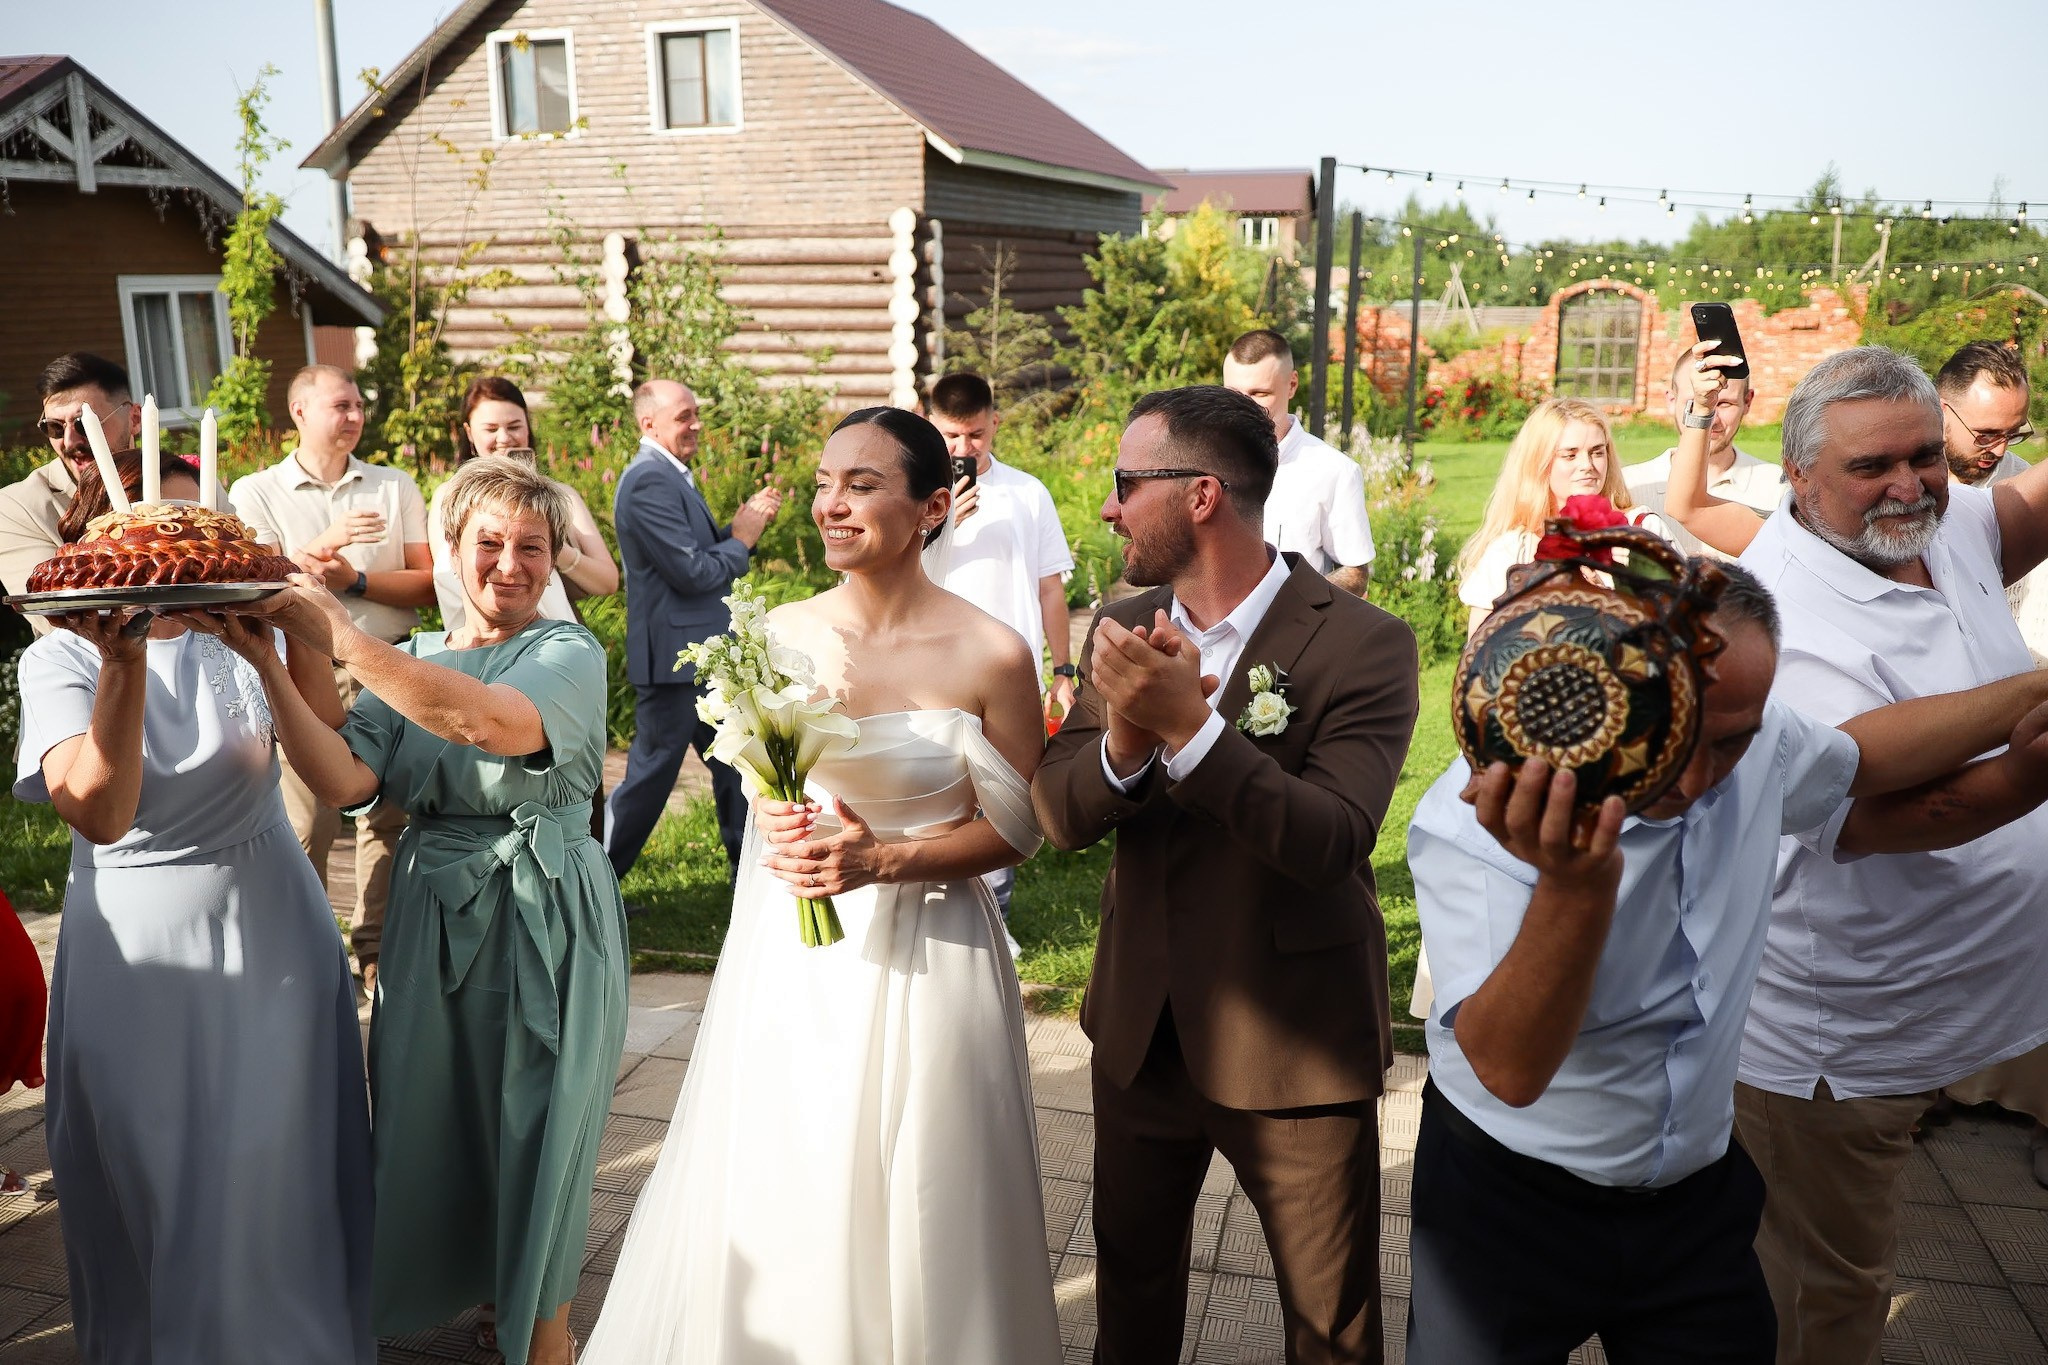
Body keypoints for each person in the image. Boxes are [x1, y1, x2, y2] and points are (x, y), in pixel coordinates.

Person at [1406, 564, 2048, 1365]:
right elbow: (1508, 1069)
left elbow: (1859, 763)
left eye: (1732, 740)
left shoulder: (1754, 735)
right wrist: (1577, 889)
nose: (1699, 777)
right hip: (1508, 1201)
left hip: (1695, 1195)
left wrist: (2028, 724)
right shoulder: (1476, 826)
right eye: (1673, 734)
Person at [581, 408, 1059, 1363]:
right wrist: (776, 809)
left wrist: (881, 860)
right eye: (824, 484)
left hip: (934, 952)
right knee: (788, 1168)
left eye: (862, 485)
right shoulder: (777, 633)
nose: (831, 505)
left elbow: (1020, 828)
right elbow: (765, 771)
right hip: (794, 955)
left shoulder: (994, 652)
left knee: (935, 1183)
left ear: (932, 508)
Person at [206, 455, 626, 1365]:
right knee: (433, 1112)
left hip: (544, 899)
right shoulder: (420, 657)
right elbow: (345, 778)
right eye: (489, 542)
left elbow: (489, 724)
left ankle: (545, 1336)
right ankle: (484, 1284)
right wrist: (272, 656)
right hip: (432, 909)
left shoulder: (568, 651)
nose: (509, 564)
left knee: (541, 1115)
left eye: (532, 546)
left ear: (554, 559)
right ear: (452, 545)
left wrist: (345, 637)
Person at [1034, 386, 1421, 1365]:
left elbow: (1333, 837)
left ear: (1200, 494)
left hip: (1292, 1036)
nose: (1110, 506)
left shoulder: (1364, 641)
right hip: (1141, 1028)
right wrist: (1124, 744)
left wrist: (1191, 729)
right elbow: (1059, 813)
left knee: (1329, 1328)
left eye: (1126, 483)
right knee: (1130, 1301)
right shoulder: (1121, 623)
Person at [15, 448, 373, 1363]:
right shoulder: (58, 656)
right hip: (138, 940)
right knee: (157, 1163)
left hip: (271, 920)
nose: (186, 559)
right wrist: (123, 660)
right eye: (164, 532)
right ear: (105, 540)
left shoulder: (247, 621)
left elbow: (334, 765)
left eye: (201, 526)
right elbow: (101, 812)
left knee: (277, 1161)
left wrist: (276, 640)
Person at [1736, 345, 2048, 1365]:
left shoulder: (1943, 522)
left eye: (1924, 455)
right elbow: (1881, 813)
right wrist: (2031, 724)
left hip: (1987, 984)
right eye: (1870, 466)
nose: (1908, 485)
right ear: (1798, 475)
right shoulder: (1769, 616)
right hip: (1852, 1029)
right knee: (1820, 1293)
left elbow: (2017, 513)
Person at [230, 363, 433, 1004]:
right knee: (306, 822)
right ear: (299, 412)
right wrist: (322, 547)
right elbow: (257, 579)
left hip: (388, 664)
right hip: (302, 668)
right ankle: (309, 957)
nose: (354, 416)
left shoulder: (394, 484)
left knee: (388, 821)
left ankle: (375, 953)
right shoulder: (256, 490)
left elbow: (429, 583)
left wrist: (357, 581)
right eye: (340, 405)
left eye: (358, 406)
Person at [606, 378, 782, 887]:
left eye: (695, 413)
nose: (696, 424)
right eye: (683, 416)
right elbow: (692, 573)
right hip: (675, 662)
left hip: (698, 657)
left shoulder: (666, 474)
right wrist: (741, 540)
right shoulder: (649, 479)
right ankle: (591, 883)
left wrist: (740, 530)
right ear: (648, 424)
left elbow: (696, 557)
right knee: (649, 780)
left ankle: (751, 877)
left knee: (739, 765)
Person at [925, 370, 1076, 937]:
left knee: (1005, 796)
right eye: (951, 436)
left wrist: (1063, 669)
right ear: (930, 425)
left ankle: (995, 924)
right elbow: (894, 578)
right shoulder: (918, 499)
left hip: (1011, 671)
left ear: (994, 424)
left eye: (976, 434)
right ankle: (939, 915)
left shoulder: (1027, 493)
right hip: (936, 668)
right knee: (940, 792)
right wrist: (940, 527)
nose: (963, 448)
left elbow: (1049, 588)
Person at [427, 376, 618, 634]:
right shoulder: (450, 497)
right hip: (482, 640)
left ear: (528, 426)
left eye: (514, 426)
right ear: (469, 433)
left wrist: (550, 549)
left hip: (555, 635)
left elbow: (608, 581)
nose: (504, 438)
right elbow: (450, 577)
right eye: (491, 429)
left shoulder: (561, 496)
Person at [1456, 397, 1660, 634]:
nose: (1587, 465)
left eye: (1597, 452)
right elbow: (1480, 647)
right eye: (1570, 455)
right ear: (1540, 463)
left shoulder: (1643, 530)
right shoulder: (1512, 549)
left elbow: (1679, 625)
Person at [1222, 328, 1376, 595]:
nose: (1243, 407)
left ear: (1292, 385)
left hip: (1292, 621)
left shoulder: (1334, 471)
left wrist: (1294, 602)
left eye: (1259, 394)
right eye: (1233, 393)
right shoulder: (1200, 459)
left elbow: (1355, 572)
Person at [0, 353, 137, 629]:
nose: (69, 441)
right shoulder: (18, 506)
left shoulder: (185, 484)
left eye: (85, 424)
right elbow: (63, 620)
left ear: (134, 419)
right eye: (54, 427)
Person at [1622, 344, 1785, 558]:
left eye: (1724, 404)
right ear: (1671, 400)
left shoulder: (1778, 489)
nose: (1712, 419)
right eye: (1696, 402)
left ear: (1747, 402)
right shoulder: (1629, 486)